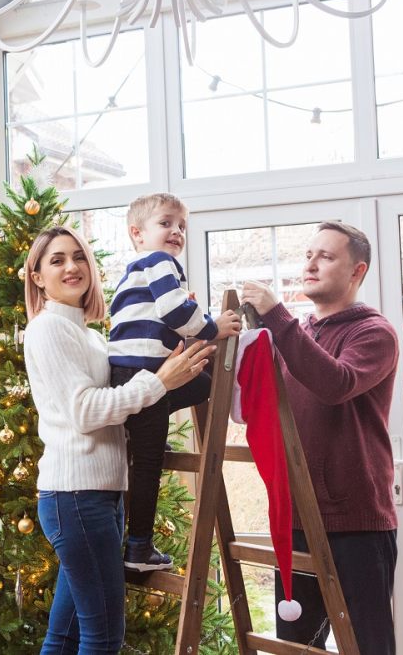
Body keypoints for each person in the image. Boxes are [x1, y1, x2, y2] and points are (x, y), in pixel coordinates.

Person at [23, 225, 216, 654]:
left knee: (66, 634)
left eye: (78, 256)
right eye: (57, 260)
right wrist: (159, 382)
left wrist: (178, 364)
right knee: (103, 636)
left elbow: (124, 403)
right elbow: (86, 412)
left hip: (101, 495)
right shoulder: (47, 329)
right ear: (37, 277)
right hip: (75, 496)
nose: (72, 266)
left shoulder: (93, 336)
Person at [240, 221, 400, 655]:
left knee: (369, 647)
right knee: (298, 647)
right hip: (296, 518)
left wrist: (277, 316)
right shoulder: (299, 336)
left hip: (355, 524)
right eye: (309, 254)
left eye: (326, 256)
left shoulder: (374, 333)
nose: (311, 263)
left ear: (356, 272)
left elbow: (336, 383)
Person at [108, 193, 241, 572]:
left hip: (130, 372)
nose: (176, 232)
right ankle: (138, 548)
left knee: (200, 382)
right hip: (143, 373)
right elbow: (175, 310)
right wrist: (215, 327)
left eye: (181, 226)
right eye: (165, 223)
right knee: (148, 463)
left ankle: (149, 421)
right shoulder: (160, 261)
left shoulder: (133, 270)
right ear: (137, 233)